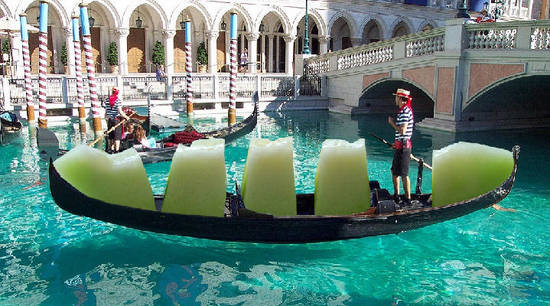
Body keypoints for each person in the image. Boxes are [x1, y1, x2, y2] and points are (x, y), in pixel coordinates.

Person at [388, 88, 414, 204]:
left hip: (404, 148)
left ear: (400, 98)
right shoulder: (403, 110)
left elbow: (403, 131)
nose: (395, 99)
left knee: (403, 174)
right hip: (401, 146)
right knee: (394, 172)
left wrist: (392, 123)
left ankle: (408, 199)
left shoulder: (405, 111)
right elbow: (402, 134)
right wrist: (396, 144)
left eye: (396, 97)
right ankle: (396, 196)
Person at [103, 86, 129, 153]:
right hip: (116, 120)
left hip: (109, 120)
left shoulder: (107, 100)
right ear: (117, 92)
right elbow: (120, 112)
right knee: (117, 137)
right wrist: (126, 117)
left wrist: (107, 120)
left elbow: (105, 113)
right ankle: (116, 151)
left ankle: (111, 150)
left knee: (111, 136)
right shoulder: (118, 100)